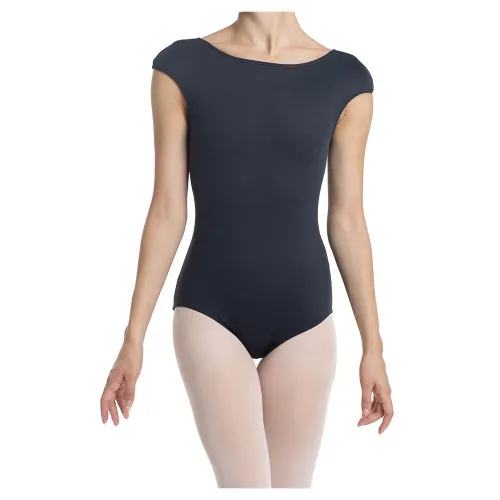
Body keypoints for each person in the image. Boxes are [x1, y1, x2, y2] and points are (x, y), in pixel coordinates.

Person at [100, 11, 394, 488]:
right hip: (209, 310)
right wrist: (133, 339)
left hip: (304, 317)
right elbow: (167, 210)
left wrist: (373, 347)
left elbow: (347, 220)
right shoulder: (180, 67)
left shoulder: (347, 80)